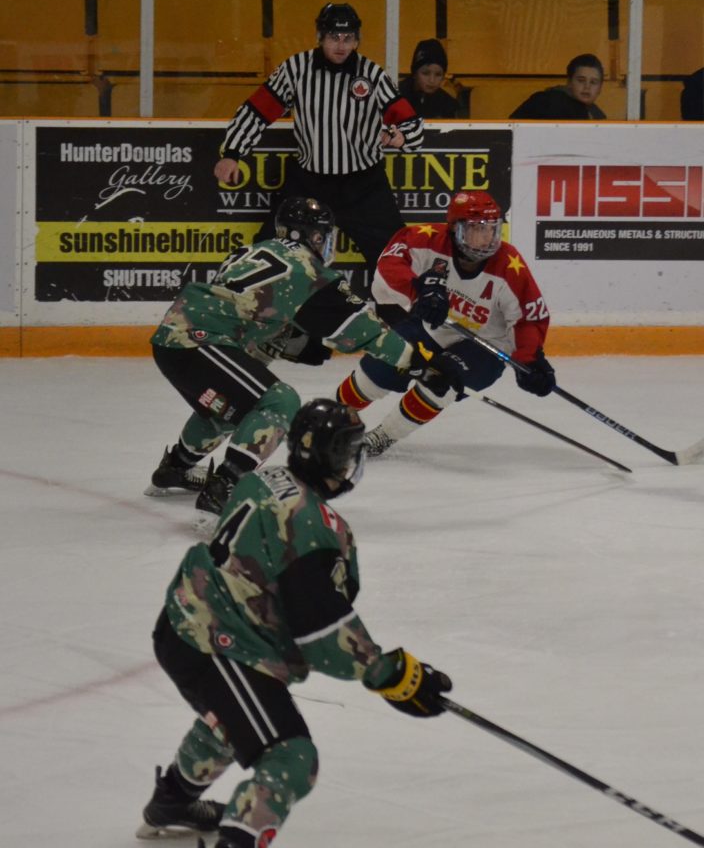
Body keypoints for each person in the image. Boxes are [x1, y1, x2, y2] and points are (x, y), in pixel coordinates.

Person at [136, 398, 453, 847]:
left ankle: (173, 803)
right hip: (218, 644)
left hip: (192, 622)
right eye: (347, 452)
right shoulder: (312, 527)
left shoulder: (265, 479)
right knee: (290, 757)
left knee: (232, 721)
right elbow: (320, 629)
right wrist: (386, 672)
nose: (353, 462)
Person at [147, 195, 439, 529]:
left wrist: (306, 345)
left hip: (179, 341)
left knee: (236, 406)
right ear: (317, 237)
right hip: (198, 341)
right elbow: (363, 329)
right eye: (326, 236)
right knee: (278, 401)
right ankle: (223, 490)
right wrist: (418, 362)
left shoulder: (256, 251)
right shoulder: (308, 269)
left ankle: (176, 467)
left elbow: (258, 320)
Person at [213, 2, 423, 283]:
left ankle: (402, 323)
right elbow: (258, 110)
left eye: (348, 38)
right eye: (334, 37)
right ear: (320, 37)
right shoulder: (295, 70)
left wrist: (402, 137)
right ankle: (258, 317)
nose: (341, 45)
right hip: (309, 184)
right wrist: (233, 152)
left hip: (365, 185)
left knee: (395, 256)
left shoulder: (371, 74)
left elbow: (410, 122)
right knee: (270, 252)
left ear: (356, 40)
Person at [335, 190, 555, 456]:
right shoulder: (427, 239)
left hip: (485, 345)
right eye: (477, 230)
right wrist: (418, 289)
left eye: (492, 230)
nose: (487, 239)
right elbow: (389, 264)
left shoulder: (509, 264)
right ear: (456, 229)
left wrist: (529, 358)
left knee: (441, 383)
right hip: (432, 328)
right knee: (379, 366)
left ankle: (383, 436)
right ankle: (333, 420)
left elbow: (528, 317)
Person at [509, 53, 607, 120]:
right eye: (581, 80)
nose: (587, 87)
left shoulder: (597, 115)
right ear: (569, 82)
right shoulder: (546, 102)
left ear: (600, 88)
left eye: (593, 82)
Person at [399, 37, 458, 119]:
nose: (432, 80)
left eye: (438, 74)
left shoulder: (447, 104)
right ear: (414, 74)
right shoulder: (395, 96)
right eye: (425, 73)